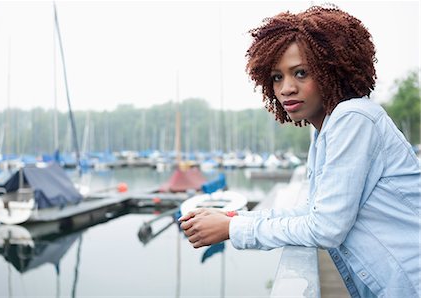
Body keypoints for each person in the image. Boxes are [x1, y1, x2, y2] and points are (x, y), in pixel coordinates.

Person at [179, 5, 420, 298]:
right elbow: (313, 211)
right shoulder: (324, 132)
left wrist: (233, 230)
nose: (286, 88)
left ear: (331, 71)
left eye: (301, 73)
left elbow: (326, 228)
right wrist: (238, 217)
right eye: (277, 77)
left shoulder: (353, 118)